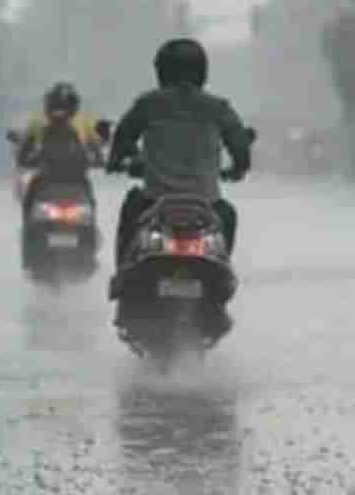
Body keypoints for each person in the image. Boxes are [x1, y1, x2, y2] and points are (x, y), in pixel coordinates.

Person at [106, 38, 253, 334]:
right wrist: (238, 168)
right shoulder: (218, 107)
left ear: (162, 71)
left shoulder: (149, 103)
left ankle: (123, 279)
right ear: (202, 71)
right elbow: (240, 145)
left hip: (154, 202)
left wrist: (117, 159)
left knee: (130, 209)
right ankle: (221, 290)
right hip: (207, 205)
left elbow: (123, 137)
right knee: (229, 215)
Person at [16, 82, 104, 212]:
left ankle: (90, 226)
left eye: (63, 106)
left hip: (70, 176)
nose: (60, 112)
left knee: (89, 203)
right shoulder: (39, 123)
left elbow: (96, 148)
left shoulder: (84, 123)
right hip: (55, 176)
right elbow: (24, 148)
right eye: (57, 106)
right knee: (31, 197)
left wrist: (97, 159)